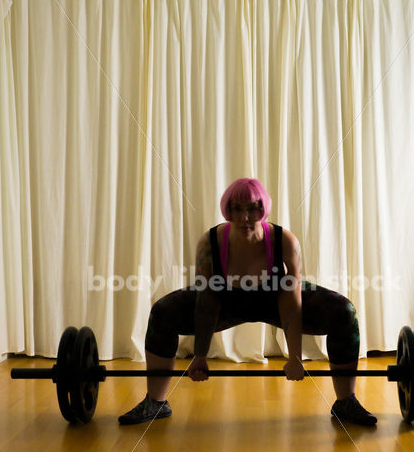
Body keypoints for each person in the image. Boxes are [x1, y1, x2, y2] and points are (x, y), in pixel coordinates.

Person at [119, 178, 377, 426]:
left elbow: (291, 299)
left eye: (253, 209)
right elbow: (207, 300)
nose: (244, 218)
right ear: (227, 210)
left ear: (263, 209)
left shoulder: (285, 241)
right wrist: (200, 355)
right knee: (163, 312)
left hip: (274, 300)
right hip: (224, 302)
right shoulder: (210, 243)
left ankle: (345, 402)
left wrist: (295, 357)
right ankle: (155, 402)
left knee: (344, 311)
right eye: (237, 209)